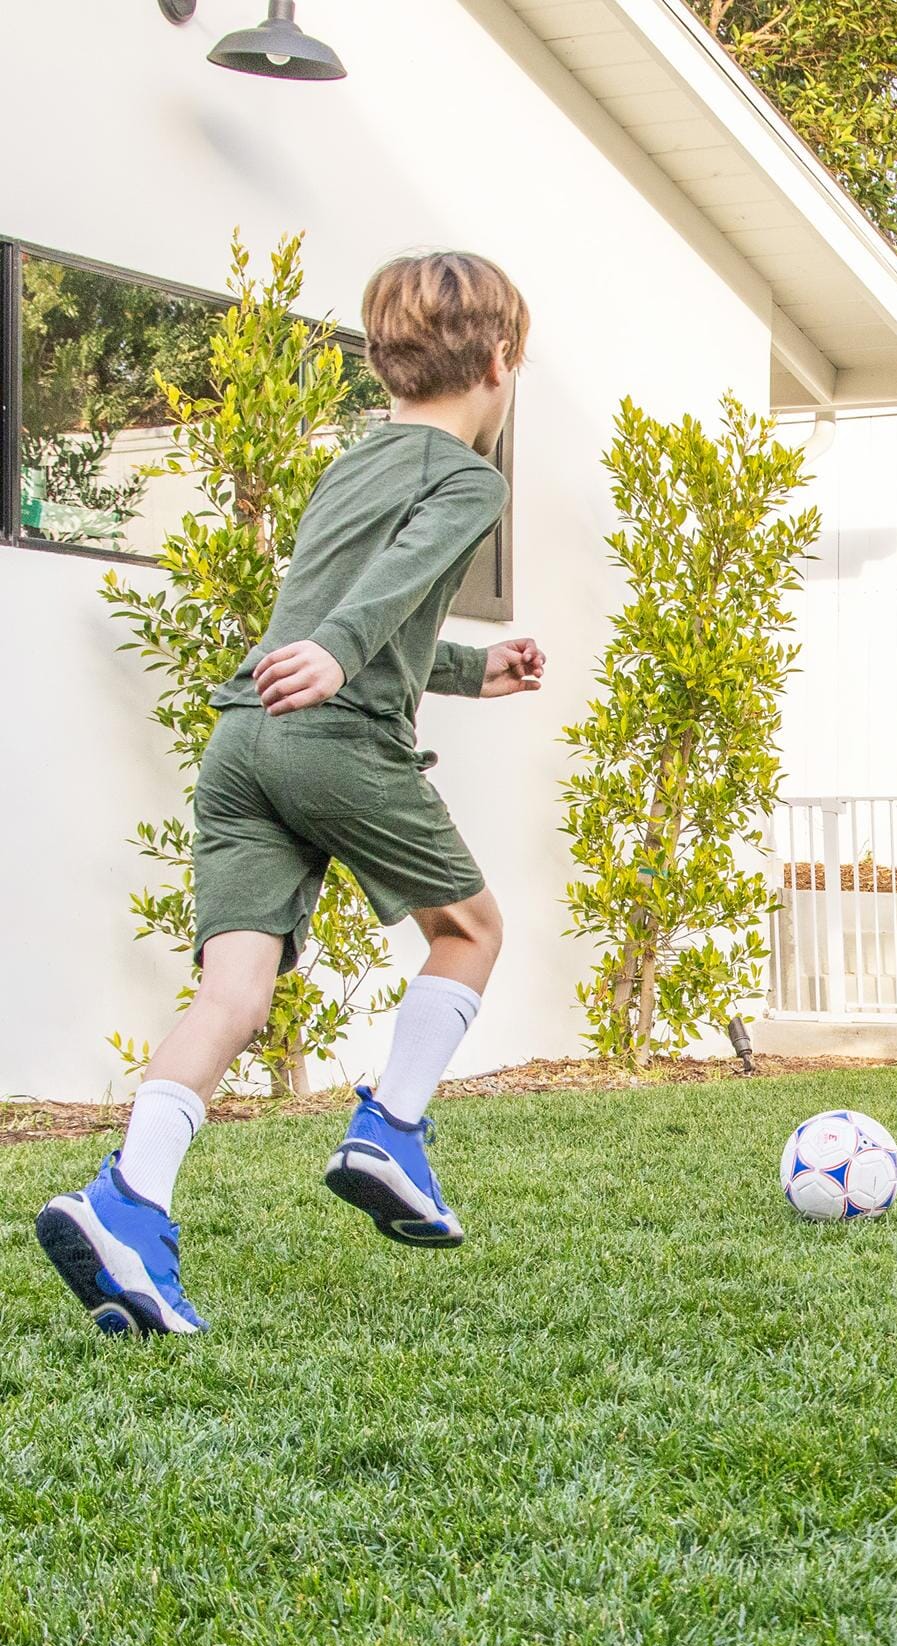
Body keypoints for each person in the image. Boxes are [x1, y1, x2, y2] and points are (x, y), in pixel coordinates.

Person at [36, 251, 545, 1334]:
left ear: (384, 365)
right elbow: (379, 597)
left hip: (241, 745)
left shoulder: (355, 461)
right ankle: (391, 1129)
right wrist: (341, 652)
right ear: (501, 361)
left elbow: (354, 604)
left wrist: (465, 667)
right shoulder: (470, 478)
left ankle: (126, 1201)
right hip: (330, 738)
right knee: (471, 930)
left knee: (233, 997)